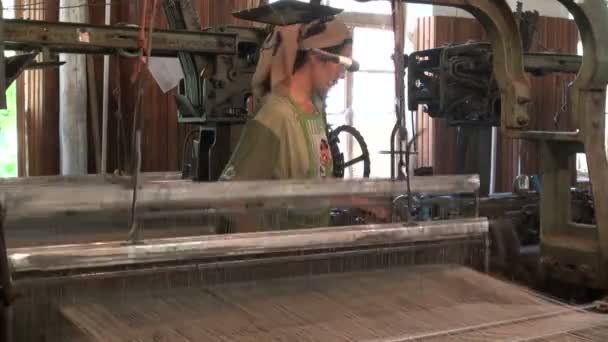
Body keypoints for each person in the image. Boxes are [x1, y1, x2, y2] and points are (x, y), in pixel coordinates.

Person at [220, 16, 385, 231]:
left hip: (311, 250)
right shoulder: (276, 116)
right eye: (341, 63)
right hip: (283, 255)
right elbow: (230, 199)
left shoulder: (313, 113)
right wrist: (263, 251)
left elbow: (316, 183)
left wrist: (361, 201)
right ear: (317, 56)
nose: (342, 76)